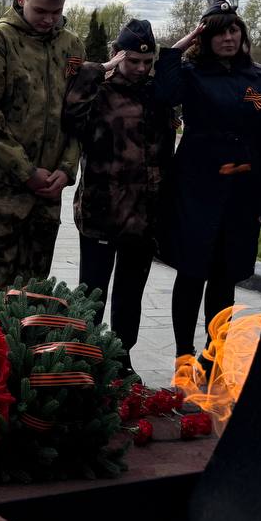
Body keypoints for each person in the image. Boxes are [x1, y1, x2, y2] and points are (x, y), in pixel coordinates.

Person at [153, 0, 261, 364]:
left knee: (226, 277)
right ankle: (183, 355)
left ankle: (214, 356)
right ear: (205, 39)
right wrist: (180, 45)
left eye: (234, 30)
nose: (228, 38)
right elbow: (164, 93)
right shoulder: (192, 74)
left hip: (241, 193)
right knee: (192, 272)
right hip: (197, 189)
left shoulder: (259, 78)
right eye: (219, 32)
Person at [63, 19, 175, 374]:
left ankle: (121, 359)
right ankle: (83, 360)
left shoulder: (156, 95)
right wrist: (99, 70)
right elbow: (70, 116)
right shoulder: (100, 91)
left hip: (144, 216)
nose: (141, 68)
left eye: (147, 62)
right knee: (91, 293)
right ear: (116, 55)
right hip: (102, 211)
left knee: (130, 295)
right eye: (133, 61)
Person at [0, 0, 83, 290]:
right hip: (5, 189)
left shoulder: (72, 45)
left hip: (49, 188)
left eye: (56, 12)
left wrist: (66, 169)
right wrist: (25, 171)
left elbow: (79, 113)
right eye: (40, 11)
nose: (49, 20)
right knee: (0, 290)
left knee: (37, 289)